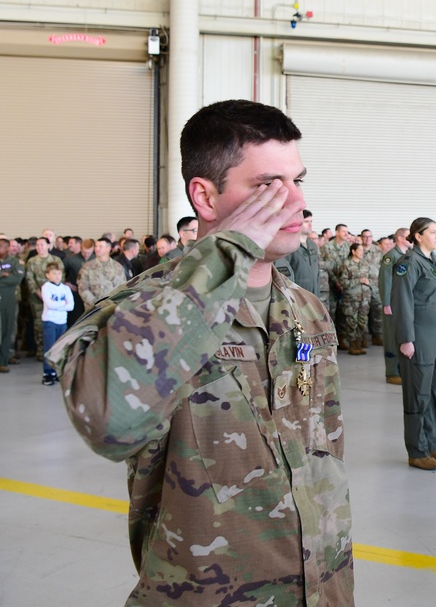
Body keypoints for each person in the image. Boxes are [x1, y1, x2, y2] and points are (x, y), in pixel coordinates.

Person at [48, 99, 354, 605]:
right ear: (205, 198)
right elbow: (109, 424)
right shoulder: (143, 309)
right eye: (268, 187)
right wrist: (230, 253)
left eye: (299, 180)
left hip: (322, 586)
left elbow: (324, 446)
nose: (297, 201)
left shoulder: (306, 309)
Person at [390, 217, 436, 471]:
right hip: (418, 338)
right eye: (433, 232)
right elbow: (402, 301)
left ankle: (431, 444)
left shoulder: (434, 261)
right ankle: (417, 451)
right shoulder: (408, 263)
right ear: (418, 236)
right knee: (418, 393)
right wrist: (406, 339)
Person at [378, 227, 409, 385]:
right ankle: (392, 372)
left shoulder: (407, 256)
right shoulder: (391, 257)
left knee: (403, 336)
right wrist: (386, 303)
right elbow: (385, 281)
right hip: (393, 303)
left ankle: (402, 369)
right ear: (400, 238)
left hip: (403, 303)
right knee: (391, 337)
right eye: (408, 236)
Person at [25, 237, 64, 360]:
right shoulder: (32, 261)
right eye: (37, 245)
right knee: (38, 324)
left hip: (54, 297)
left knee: (54, 323)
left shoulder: (55, 260)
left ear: (48, 246)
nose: (39, 247)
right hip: (37, 298)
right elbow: (29, 278)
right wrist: (38, 292)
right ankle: (41, 351)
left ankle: (55, 351)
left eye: (42, 245)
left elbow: (61, 277)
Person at [40, 261, 73, 386]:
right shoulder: (46, 287)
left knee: (61, 348)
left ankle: (57, 371)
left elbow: (71, 306)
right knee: (49, 347)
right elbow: (50, 304)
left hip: (62, 322)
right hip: (50, 321)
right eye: (54, 273)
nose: (57, 276)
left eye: (59, 273)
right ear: (48, 275)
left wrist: (59, 305)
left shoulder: (65, 288)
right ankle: (48, 373)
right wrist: (63, 304)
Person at [338, 242, 374, 355]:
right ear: (353, 251)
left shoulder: (365, 264)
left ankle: (359, 344)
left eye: (363, 251)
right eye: (360, 251)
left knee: (362, 322)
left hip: (365, 298)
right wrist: (358, 281)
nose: (362, 253)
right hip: (351, 299)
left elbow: (372, 278)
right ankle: (353, 346)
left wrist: (369, 282)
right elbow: (342, 282)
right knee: (351, 322)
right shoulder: (346, 264)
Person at [77, 236, 127, 311]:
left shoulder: (117, 267)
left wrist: (113, 303)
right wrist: (96, 304)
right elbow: (83, 289)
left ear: (108, 248)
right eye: (96, 246)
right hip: (93, 309)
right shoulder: (87, 267)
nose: (97, 249)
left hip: (113, 308)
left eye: (100, 246)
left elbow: (122, 288)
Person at [0, 238, 25, 373]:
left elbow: (17, 279)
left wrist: (4, 278)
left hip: (9, 298)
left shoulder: (15, 262)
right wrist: (3, 275)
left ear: (7, 248)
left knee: (7, 329)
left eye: (1, 247)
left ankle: (3, 361)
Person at [285, 208, 323, 297]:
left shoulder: (312, 245)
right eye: (306, 222)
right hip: (297, 294)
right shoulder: (290, 245)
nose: (310, 225)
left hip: (314, 293)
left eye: (311, 221)